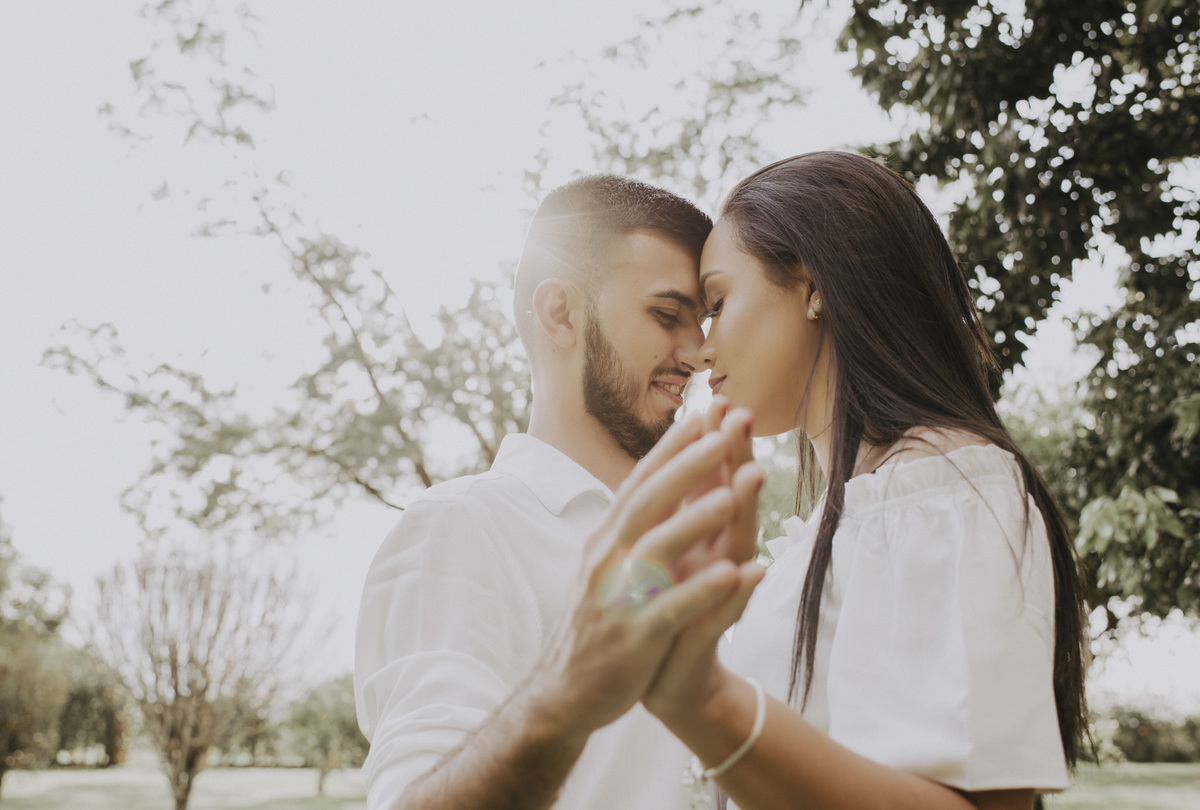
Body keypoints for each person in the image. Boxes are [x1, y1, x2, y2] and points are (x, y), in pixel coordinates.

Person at [636, 151, 1091, 810]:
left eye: (719, 301)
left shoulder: (943, 491)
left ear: (814, 283)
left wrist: (706, 702)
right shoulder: (857, 512)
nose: (703, 351)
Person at [353, 174, 764, 810]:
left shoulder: (693, 541)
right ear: (561, 313)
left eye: (704, 321)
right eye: (665, 315)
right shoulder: (459, 529)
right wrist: (568, 694)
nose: (699, 353)